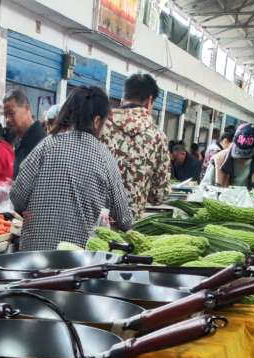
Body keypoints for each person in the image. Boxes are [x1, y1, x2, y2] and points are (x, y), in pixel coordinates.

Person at [11, 86, 131, 252]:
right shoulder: (104, 157)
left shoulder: (46, 145)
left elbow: (17, 197)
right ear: (97, 121)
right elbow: (124, 218)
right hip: (78, 260)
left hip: (35, 256)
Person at [100, 72, 171, 219]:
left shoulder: (100, 125)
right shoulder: (158, 137)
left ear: (124, 96)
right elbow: (159, 195)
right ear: (149, 100)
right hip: (130, 224)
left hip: (96, 219)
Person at [3, 89, 45, 176]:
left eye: (11, 113)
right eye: (5, 115)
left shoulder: (41, 144)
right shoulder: (21, 141)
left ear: (27, 108)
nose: (7, 120)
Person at [211, 123, 254, 188]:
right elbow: (205, 186)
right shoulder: (219, 159)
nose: (241, 159)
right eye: (239, 153)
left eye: (247, 156)